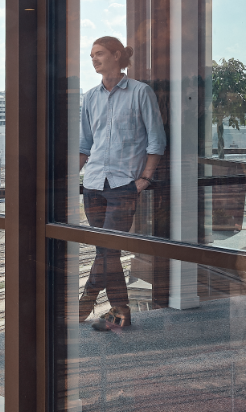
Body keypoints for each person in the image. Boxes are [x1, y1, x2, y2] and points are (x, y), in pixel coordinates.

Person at [77, 35, 167, 332]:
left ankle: (83, 304)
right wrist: (68, 179)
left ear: (117, 55)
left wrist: (144, 178)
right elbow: (85, 144)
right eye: (91, 55)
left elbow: (156, 141)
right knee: (108, 251)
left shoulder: (141, 93)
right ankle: (120, 313)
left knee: (108, 248)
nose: (94, 59)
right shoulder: (90, 96)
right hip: (92, 184)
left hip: (123, 185)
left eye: (99, 53)